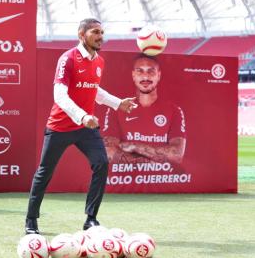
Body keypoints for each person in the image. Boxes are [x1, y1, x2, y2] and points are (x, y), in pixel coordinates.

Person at [25, 18, 137, 234]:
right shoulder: (67, 59)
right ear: (81, 34)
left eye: (102, 32)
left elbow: (94, 90)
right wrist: (82, 115)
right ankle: (31, 221)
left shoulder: (99, 61)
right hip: (60, 126)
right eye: (95, 32)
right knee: (44, 173)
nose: (100, 36)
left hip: (86, 128)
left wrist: (117, 103)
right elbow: (59, 94)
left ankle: (91, 219)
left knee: (101, 163)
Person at [102, 54, 186, 165]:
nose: (145, 77)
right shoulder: (117, 108)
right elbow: (108, 152)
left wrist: (134, 146)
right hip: (125, 180)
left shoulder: (174, 110)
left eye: (151, 71)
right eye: (140, 71)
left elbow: (176, 155)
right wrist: (152, 159)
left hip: (161, 181)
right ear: (133, 75)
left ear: (159, 75)